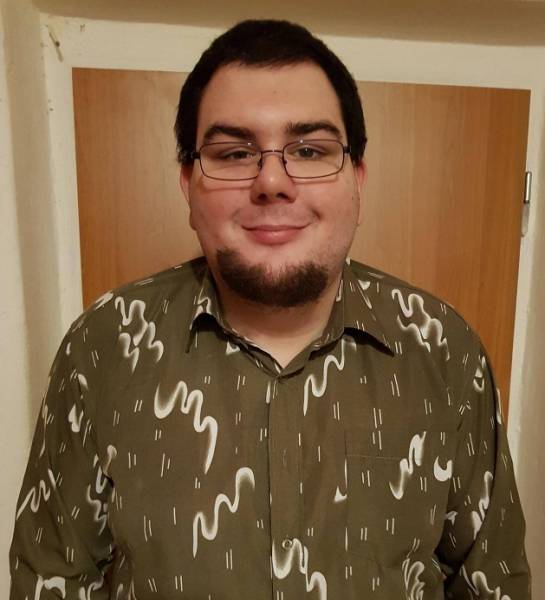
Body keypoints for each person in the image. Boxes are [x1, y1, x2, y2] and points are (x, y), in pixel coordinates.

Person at [10, 19, 530, 600]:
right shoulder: (103, 345)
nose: (273, 181)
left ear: (357, 180)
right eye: (234, 153)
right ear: (188, 184)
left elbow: (493, 584)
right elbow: (51, 579)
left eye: (309, 150)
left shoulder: (444, 350)